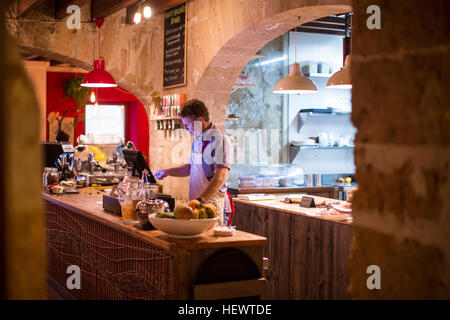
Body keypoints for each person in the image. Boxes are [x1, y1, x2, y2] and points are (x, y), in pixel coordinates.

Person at [154, 99, 232, 225]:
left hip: (211, 203)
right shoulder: (197, 140)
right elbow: (190, 168)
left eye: (188, 124)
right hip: (197, 204)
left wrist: (201, 200)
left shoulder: (219, 139)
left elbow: (221, 176)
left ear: (200, 121)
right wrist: (167, 172)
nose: (185, 128)